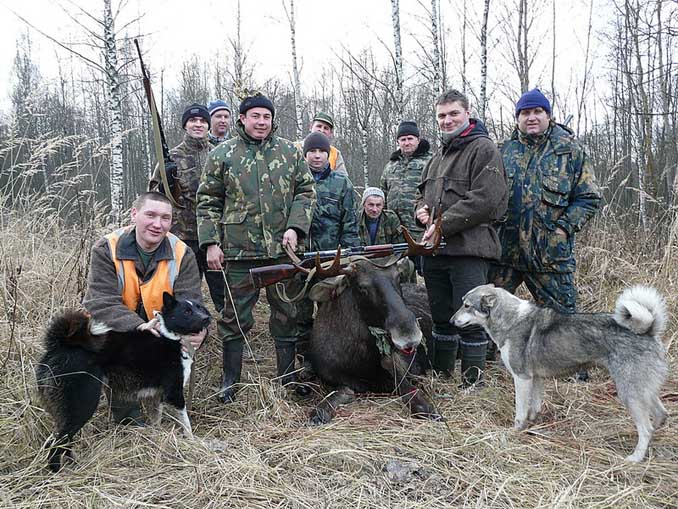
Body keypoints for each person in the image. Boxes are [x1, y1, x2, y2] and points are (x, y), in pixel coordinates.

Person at [196, 92, 315, 403]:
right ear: (242, 119)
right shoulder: (223, 154)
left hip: (282, 250)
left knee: (287, 314)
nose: (261, 122)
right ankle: (229, 382)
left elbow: (305, 191)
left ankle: (287, 379)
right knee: (233, 317)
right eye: (255, 116)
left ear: (272, 120)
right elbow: (207, 200)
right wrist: (210, 243)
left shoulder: (290, 152)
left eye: (267, 117)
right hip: (238, 253)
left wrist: (295, 227)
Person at [489, 88, 601, 379]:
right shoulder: (502, 151)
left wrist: (563, 229)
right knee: (490, 308)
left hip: (550, 254)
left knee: (564, 317)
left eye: (537, 112)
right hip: (506, 253)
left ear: (548, 115)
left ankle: (576, 372)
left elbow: (589, 198)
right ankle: (489, 366)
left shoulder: (569, 150)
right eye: (525, 113)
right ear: (517, 119)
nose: (532, 118)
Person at [83, 192, 207, 423]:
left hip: (165, 325)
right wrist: (138, 325)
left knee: (182, 346)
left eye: (165, 218)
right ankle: (128, 417)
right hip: (121, 324)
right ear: (134, 215)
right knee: (120, 341)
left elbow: (192, 301)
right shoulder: (106, 248)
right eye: (150, 215)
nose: (157, 224)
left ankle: (168, 406)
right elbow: (101, 302)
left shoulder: (183, 253)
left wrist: (199, 332)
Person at [415, 89, 508, 387]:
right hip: (436, 253)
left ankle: (473, 383)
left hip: (470, 251)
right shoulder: (437, 157)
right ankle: (442, 378)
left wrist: (442, 224)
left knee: (472, 320)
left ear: (467, 113)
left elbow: (486, 199)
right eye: (441, 115)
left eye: (453, 113)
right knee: (442, 318)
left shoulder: (484, 150)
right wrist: (422, 212)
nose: (447, 120)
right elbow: (423, 195)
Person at [149, 103, 225, 314]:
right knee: (184, 289)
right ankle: (188, 331)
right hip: (183, 236)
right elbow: (153, 196)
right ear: (185, 125)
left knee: (222, 288)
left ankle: (230, 329)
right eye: (193, 121)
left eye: (202, 121)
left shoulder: (220, 155)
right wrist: (165, 184)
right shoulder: (171, 157)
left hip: (215, 235)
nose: (198, 125)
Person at [381, 120, 432, 278]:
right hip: (396, 231)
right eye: (403, 139)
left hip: (420, 230)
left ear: (418, 139)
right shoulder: (391, 165)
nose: (407, 142)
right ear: (398, 142)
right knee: (400, 274)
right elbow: (383, 191)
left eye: (410, 138)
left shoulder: (430, 162)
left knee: (425, 272)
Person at [304, 132, 360, 250]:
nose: (317, 156)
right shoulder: (296, 179)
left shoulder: (342, 183)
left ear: (328, 154)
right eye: (312, 151)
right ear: (305, 155)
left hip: (331, 255)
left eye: (322, 151)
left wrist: (350, 254)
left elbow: (350, 224)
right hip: (299, 254)